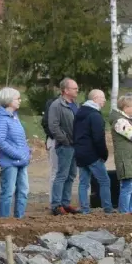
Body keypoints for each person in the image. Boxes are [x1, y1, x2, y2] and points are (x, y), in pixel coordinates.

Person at [0, 87, 30, 218]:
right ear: (8, 100)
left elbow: (20, 139)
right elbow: (0, 142)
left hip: (22, 161)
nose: (20, 100)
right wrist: (18, 154)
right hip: (10, 163)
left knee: (23, 191)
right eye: (17, 98)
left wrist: (27, 151)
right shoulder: (2, 119)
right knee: (8, 192)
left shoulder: (15, 117)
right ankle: (4, 221)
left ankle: (19, 218)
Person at [74, 89, 112, 214]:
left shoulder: (79, 113)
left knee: (84, 182)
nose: (105, 100)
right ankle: (107, 208)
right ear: (95, 98)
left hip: (80, 153)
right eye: (103, 98)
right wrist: (103, 154)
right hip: (92, 155)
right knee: (104, 181)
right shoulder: (95, 115)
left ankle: (85, 209)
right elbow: (98, 138)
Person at [47, 78, 79, 214]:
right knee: (62, 175)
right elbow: (53, 126)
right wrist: (65, 140)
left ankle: (65, 203)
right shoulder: (56, 105)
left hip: (75, 145)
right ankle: (56, 205)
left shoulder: (74, 104)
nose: (77, 90)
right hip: (65, 146)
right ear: (66, 90)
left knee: (71, 175)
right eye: (74, 88)